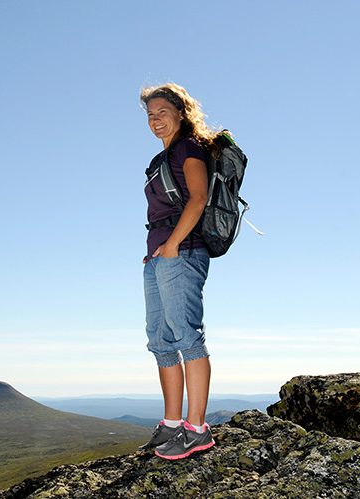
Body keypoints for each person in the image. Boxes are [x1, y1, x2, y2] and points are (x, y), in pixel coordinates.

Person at [137, 83, 217, 460]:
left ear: (181, 113)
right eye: (150, 115)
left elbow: (199, 198)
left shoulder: (189, 148)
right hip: (160, 254)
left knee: (187, 336)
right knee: (160, 338)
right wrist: (156, 251)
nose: (155, 120)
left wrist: (170, 246)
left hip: (181, 251)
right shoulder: (160, 160)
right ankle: (172, 423)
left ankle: (197, 429)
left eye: (162, 112)